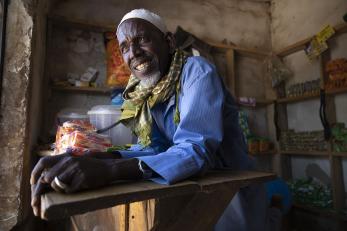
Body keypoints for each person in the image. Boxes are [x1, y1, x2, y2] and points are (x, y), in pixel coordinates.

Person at [30, 9, 268, 230]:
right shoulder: (146, 90)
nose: (133, 53)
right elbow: (155, 149)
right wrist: (98, 157)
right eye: (124, 47)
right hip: (190, 182)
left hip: (229, 187)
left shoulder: (197, 71)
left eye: (142, 40)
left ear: (169, 42)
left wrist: (110, 170)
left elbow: (195, 150)